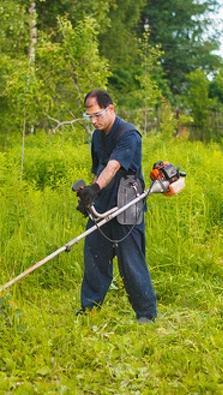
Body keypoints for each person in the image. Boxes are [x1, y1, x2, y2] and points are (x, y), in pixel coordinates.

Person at [75, 90, 157, 324]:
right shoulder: (97, 136)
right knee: (94, 255)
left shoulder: (128, 134)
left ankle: (146, 314)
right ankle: (89, 308)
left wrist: (96, 188)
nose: (94, 121)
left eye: (97, 115)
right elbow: (98, 169)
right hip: (103, 201)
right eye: (89, 116)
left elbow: (112, 166)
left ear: (110, 109)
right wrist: (89, 196)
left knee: (131, 261)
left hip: (127, 203)